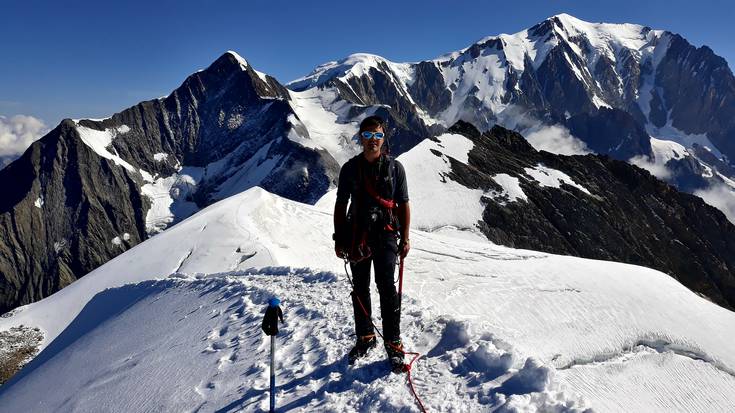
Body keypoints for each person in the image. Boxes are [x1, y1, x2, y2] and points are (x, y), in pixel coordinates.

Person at [333, 115, 411, 373]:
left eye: (377, 136)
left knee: (386, 289)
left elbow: (403, 204)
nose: (372, 140)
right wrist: (339, 238)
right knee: (360, 288)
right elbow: (340, 204)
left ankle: (393, 342)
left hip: (386, 235)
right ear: (360, 138)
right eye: (367, 135)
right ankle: (366, 336)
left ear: (384, 138)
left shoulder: (395, 168)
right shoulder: (350, 169)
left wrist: (406, 237)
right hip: (358, 235)